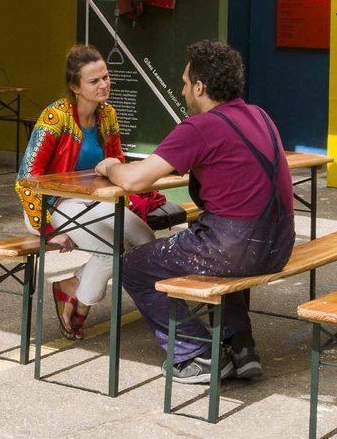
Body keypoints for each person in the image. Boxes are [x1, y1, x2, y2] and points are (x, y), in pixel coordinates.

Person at [100, 40, 295, 384]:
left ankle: (197, 353)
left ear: (200, 87)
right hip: (279, 245)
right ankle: (241, 346)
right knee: (217, 259)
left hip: (235, 246)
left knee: (133, 267)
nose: (183, 90)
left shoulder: (201, 127)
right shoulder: (259, 115)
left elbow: (133, 180)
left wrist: (110, 166)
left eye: (185, 83)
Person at [15, 45, 156, 339]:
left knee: (145, 239)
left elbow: (117, 163)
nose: (104, 84)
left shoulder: (108, 115)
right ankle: (81, 302)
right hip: (52, 204)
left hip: (94, 201)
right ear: (75, 87)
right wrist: (47, 231)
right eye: (94, 81)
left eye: (106, 77)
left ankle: (71, 286)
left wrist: (126, 203)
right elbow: (26, 180)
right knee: (109, 250)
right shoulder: (54, 117)